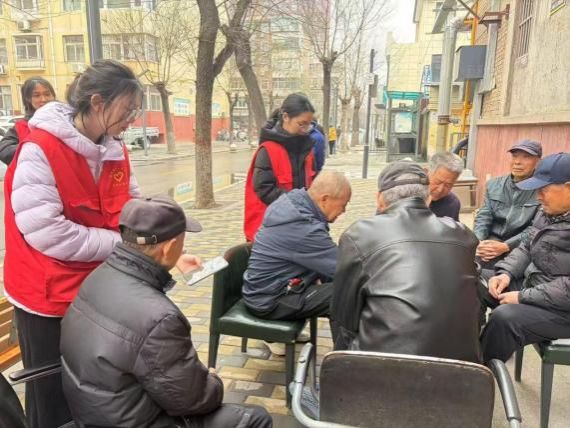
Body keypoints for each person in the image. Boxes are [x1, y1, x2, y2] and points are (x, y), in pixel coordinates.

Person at [3, 60, 143, 428]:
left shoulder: (114, 150)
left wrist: (159, 232)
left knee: (92, 390)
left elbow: (131, 204)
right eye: (127, 109)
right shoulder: (40, 149)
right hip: (46, 297)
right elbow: (47, 232)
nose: (132, 119)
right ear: (97, 103)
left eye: (136, 110)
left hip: (92, 289)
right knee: (52, 398)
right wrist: (121, 243)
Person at [60, 196, 272, 427]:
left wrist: (171, 260)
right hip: (136, 421)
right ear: (169, 246)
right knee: (256, 418)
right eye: (181, 242)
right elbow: (194, 400)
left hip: (94, 412)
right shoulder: (159, 319)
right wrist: (213, 380)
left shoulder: (99, 276)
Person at [331, 161, 481, 363]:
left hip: (381, 369)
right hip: (462, 370)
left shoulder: (360, 234)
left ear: (379, 198)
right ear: (427, 199)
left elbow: (344, 315)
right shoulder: (464, 235)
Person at [243, 171, 351, 355]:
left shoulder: (294, 204)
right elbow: (342, 268)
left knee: (341, 285)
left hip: (264, 290)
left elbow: (329, 263)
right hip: (270, 300)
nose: (344, 211)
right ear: (325, 199)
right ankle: (344, 361)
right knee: (344, 294)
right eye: (344, 204)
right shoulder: (304, 227)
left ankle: (347, 354)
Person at [480, 153, 570, 363]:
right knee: (472, 280)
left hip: (563, 310)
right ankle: (466, 349)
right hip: (536, 285)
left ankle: (478, 374)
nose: (538, 197)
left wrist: (523, 297)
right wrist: (506, 273)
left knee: (505, 319)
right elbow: (527, 247)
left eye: (544, 190)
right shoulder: (548, 212)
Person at [244, 93, 316, 242]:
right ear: (286, 117)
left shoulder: (307, 151)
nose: (305, 129)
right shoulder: (268, 150)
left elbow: (312, 183)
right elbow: (264, 190)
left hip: (297, 228)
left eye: (309, 125)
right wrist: (299, 202)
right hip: (269, 231)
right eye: (301, 124)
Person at [474, 140, 542, 272]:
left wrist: (506, 246)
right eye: (515, 156)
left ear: (538, 161)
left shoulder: (542, 191)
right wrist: (478, 241)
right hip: (492, 240)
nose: (517, 162)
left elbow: (536, 228)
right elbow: (484, 217)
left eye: (526, 157)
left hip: (522, 245)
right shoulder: (494, 185)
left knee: (512, 272)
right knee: (471, 264)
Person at [0, 77, 56, 165]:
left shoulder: (66, 120)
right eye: (37, 95)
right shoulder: (22, 126)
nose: (43, 99)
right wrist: (33, 152)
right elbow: (4, 149)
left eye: (47, 94)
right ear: (28, 99)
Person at [428, 152, 464, 221]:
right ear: (427, 172)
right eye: (437, 182)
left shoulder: (452, 203)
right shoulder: (410, 194)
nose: (440, 190)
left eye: (448, 185)